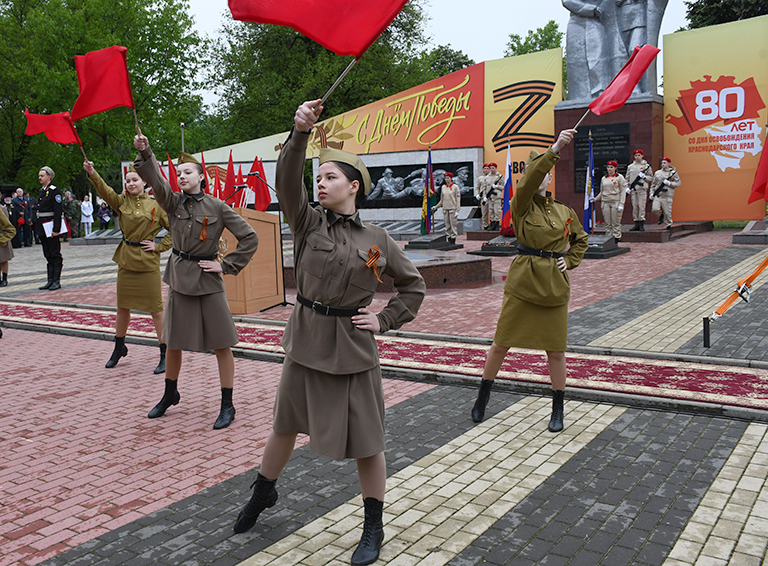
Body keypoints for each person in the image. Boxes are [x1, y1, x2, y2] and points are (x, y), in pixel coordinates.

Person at [232, 100, 426, 566]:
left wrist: (384, 319)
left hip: (353, 349)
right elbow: (286, 181)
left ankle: (373, 526)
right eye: (318, 178)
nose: (320, 183)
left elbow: (412, 286)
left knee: (368, 440)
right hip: (305, 340)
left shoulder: (376, 240)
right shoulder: (306, 221)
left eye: (330, 177)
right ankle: (263, 492)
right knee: (284, 426)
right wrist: (299, 133)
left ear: (353, 185)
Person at [133, 134, 258, 430]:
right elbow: (157, 180)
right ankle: (170, 393)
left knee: (222, 343)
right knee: (173, 341)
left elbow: (250, 237)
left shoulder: (217, 207)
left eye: (188, 172)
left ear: (202, 176)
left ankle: (227, 404)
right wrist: (145, 150)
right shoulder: (172, 201)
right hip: (179, 278)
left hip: (208, 281)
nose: (182, 177)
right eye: (179, 173)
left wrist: (225, 265)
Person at [470, 129, 588, 432]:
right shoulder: (521, 204)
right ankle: (482, 397)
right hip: (523, 284)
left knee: (556, 351)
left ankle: (558, 409)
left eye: (548, 174)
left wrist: (570, 260)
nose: (544, 178)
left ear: (551, 179)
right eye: (541, 173)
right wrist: (555, 148)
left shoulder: (564, 211)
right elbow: (530, 180)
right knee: (501, 344)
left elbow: (581, 240)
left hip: (553, 286)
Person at [84, 160, 173, 373]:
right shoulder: (121, 202)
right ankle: (119, 346)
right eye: (128, 181)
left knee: (156, 309)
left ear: (145, 182)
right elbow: (104, 191)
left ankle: (164, 352)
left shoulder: (156, 205)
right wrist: (92, 172)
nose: (130, 184)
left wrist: (160, 246)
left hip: (147, 261)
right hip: (126, 259)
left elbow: (176, 230)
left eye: (134, 180)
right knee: (123, 307)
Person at [36, 166, 64, 290]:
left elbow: (58, 211)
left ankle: (56, 280)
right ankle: (50, 280)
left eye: (42, 175)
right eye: (39, 176)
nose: (39, 178)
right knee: (47, 253)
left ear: (49, 177)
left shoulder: (54, 191)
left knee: (55, 253)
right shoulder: (41, 191)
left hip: (50, 226)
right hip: (42, 227)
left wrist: (56, 229)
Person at [593, 160, 627, 241]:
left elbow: (623, 191)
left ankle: (616, 237)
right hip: (605, 202)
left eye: (611, 167)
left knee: (615, 222)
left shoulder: (619, 177)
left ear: (615, 168)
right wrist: (595, 198)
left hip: (615, 201)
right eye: (608, 167)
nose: (609, 169)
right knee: (607, 223)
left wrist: (621, 204)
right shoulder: (604, 178)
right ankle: (608, 238)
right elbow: (602, 191)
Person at [649, 157, 681, 230]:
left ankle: (669, 227)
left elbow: (678, 183)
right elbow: (653, 184)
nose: (663, 164)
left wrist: (670, 183)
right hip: (658, 195)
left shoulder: (673, 173)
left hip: (667, 196)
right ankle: (661, 215)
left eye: (664, 163)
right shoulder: (657, 173)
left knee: (667, 214)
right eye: (662, 163)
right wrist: (651, 193)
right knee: (654, 209)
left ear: (669, 164)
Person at [626, 149, 652, 231]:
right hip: (633, 190)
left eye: (639, 155)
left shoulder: (646, 166)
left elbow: (651, 177)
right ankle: (636, 223)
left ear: (642, 156)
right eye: (636, 155)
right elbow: (627, 178)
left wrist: (644, 177)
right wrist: (627, 187)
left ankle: (641, 224)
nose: (637, 157)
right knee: (635, 206)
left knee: (641, 206)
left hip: (642, 189)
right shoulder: (630, 167)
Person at [433, 172, 460, 244]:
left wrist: (457, 210)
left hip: (452, 208)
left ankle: (453, 238)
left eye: (448, 178)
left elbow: (458, 199)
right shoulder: (443, 187)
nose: (447, 179)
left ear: (451, 178)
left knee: (453, 225)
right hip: (445, 208)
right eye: (445, 178)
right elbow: (442, 199)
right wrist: (436, 207)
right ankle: (449, 238)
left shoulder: (455, 187)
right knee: (447, 225)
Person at [0, 197, 16, 287]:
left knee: (3, 259)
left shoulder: (2, 208)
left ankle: (5, 279)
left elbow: (8, 226)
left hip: (2, 235)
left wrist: (5, 238)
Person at [487, 162, 504, 231]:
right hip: (490, 197)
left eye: (493, 168)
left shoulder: (499, 176)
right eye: (490, 168)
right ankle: (492, 224)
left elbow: (503, 186)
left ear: (496, 168)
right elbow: (486, 187)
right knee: (491, 211)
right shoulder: (487, 177)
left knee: (497, 211)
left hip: (497, 196)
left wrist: (497, 186)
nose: (492, 169)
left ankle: (497, 225)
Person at [475, 164, 492, 230]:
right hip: (483, 198)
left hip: (490, 198)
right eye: (485, 168)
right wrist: (477, 194)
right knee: (484, 213)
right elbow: (477, 188)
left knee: (492, 212)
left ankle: (493, 226)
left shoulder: (492, 177)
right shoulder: (480, 178)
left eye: (487, 168)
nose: (486, 170)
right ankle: (485, 226)